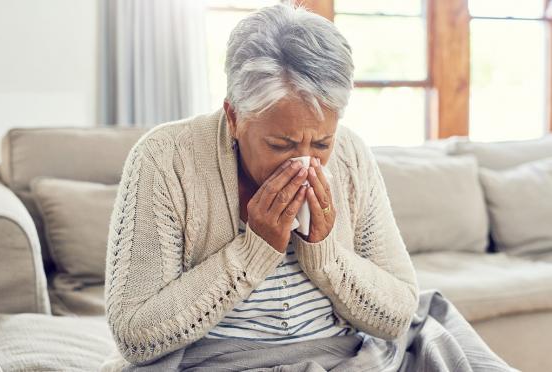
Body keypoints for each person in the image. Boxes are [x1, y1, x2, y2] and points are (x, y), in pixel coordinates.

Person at [103, 3, 419, 368]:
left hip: (342, 357)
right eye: (280, 145)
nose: (304, 164)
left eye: (321, 144)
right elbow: (135, 334)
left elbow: (398, 313)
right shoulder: (165, 158)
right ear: (234, 117)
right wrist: (254, 249)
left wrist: (326, 254)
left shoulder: (352, 153)